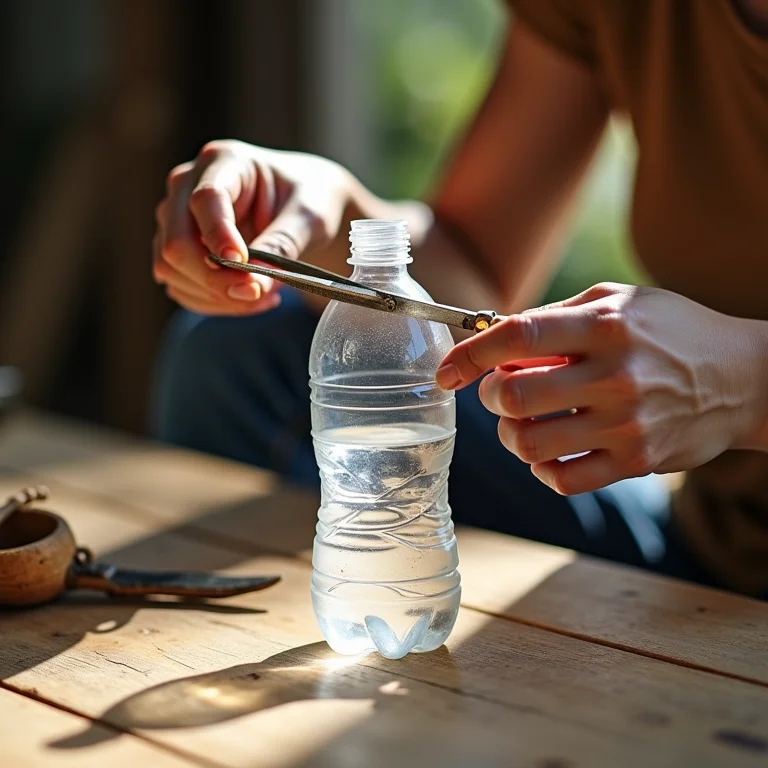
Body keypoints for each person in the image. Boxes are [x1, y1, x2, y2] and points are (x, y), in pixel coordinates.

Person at [151, 0, 768, 598]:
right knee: (246, 351)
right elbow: (476, 271)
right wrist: (337, 217)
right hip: (712, 548)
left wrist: (746, 382)